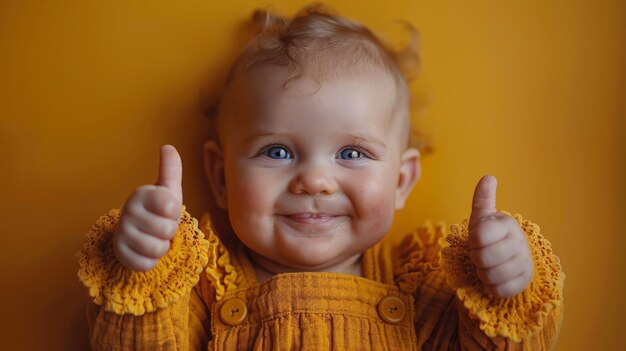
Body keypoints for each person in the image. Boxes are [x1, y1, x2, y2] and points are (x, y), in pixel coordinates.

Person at [77, 4, 564, 350]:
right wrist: (143, 265)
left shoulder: (424, 283)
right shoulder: (202, 284)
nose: (314, 180)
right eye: (278, 150)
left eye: (351, 152)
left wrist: (506, 287)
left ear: (400, 181)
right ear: (220, 178)